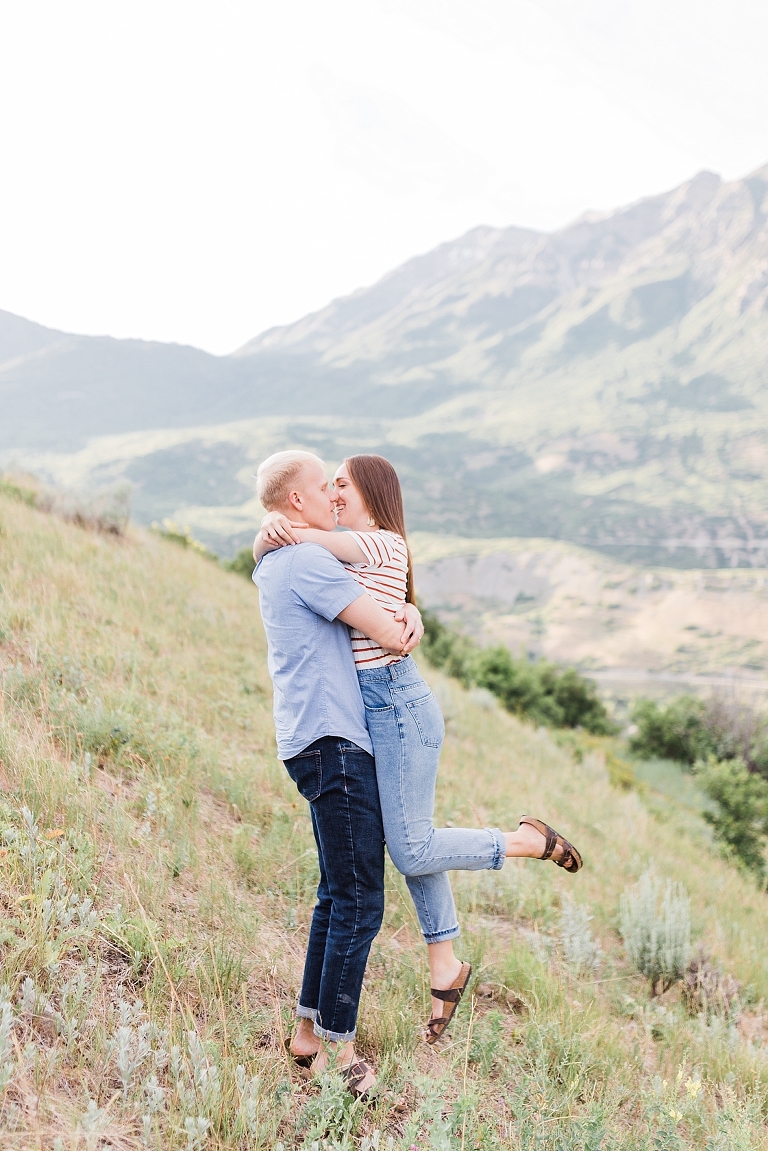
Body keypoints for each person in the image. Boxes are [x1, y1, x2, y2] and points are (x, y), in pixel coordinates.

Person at [256, 453, 584, 1046]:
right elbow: (355, 593)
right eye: (325, 488)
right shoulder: (322, 553)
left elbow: (380, 616)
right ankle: (442, 963)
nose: (334, 496)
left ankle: (524, 843)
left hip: (395, 704)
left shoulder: (377, 543)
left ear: (371, 498)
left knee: (410, 847)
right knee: (406, 844)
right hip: (366, 713)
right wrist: (274, 536)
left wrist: (276, 534)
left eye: (342, 487)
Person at [251, 450, 423, 1099]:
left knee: (335, 894)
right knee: (359, 899)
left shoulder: (275, 558)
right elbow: (389, 631)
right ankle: (339, 1048)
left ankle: (306, 1033)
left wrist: (410, 613)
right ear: (297, 501)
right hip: (335, 743)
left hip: (308, 739)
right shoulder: (309, 560)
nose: (332, 496)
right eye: (323, 488)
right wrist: (409, 617)